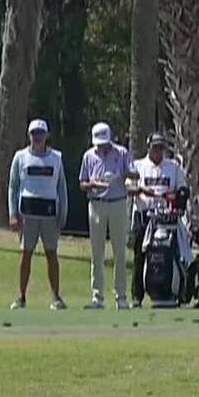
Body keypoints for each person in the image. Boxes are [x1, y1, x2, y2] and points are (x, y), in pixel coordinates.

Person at [8, 118, 68, 310]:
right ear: (29, 135)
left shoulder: (56, 158)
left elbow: (62, 188)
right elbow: (13, 186)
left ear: (46, 136)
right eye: (34, 133)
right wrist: (12, 214)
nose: (37, 137)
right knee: (26, 254)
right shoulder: (20, 157)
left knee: (52, 254)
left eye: (41, 133)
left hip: (49, 213)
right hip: (27, 213)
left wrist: (63, 212)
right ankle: (21, 296)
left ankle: (56, 297)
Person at [129, 130, 190, 307]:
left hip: (166, 218)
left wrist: (175, 197)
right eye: (155, 147)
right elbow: (128, 189)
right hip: (144, 216)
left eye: (161, 148)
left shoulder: (173, 167)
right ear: (148, 147)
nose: (158, 151)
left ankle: (174, 289)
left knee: (172, 254)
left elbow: (182, 190)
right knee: (140, 256)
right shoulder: (138, 166)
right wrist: (142, 190)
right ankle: (136, 296)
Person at [79, 121, 133, 310]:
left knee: (119, 252)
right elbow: (82, 183)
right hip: (96, 204)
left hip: (118, 203)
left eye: (105, 142)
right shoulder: (89, 156)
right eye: (99, 143)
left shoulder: (122, 153)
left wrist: (121, 174)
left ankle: (121, 297)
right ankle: (97, 297)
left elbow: (134, 174)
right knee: (97, 253)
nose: (102, 146)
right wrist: (92, 183)